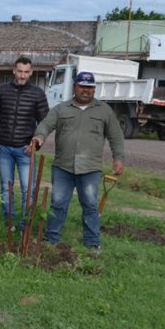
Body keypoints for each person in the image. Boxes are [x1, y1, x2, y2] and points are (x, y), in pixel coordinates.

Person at [32, 71, 124, 253]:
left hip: (90, 168)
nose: (86, 90)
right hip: (63, 166)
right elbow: (45, 124)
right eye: (82, 86)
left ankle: (92, 242)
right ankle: (52, 239)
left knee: (90, 205)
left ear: (94, 89)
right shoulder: (62, 108)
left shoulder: (104, 110)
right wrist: (39, 137)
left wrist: (118, 158)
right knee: (58, 203)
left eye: (89, 87)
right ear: (74, 87)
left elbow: (116, 136)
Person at [0, 56, 49, 229]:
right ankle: (10, 224)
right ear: (14, 71)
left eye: (26, 72)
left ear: (31, 72)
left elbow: (45, 123)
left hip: (25, 150)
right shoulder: (2, 91)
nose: (22, 75)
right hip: (3, 149)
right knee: (7, 189)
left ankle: (24, 226)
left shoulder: (38, 94)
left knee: (29, 190)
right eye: (19, 71)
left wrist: (35, 145)